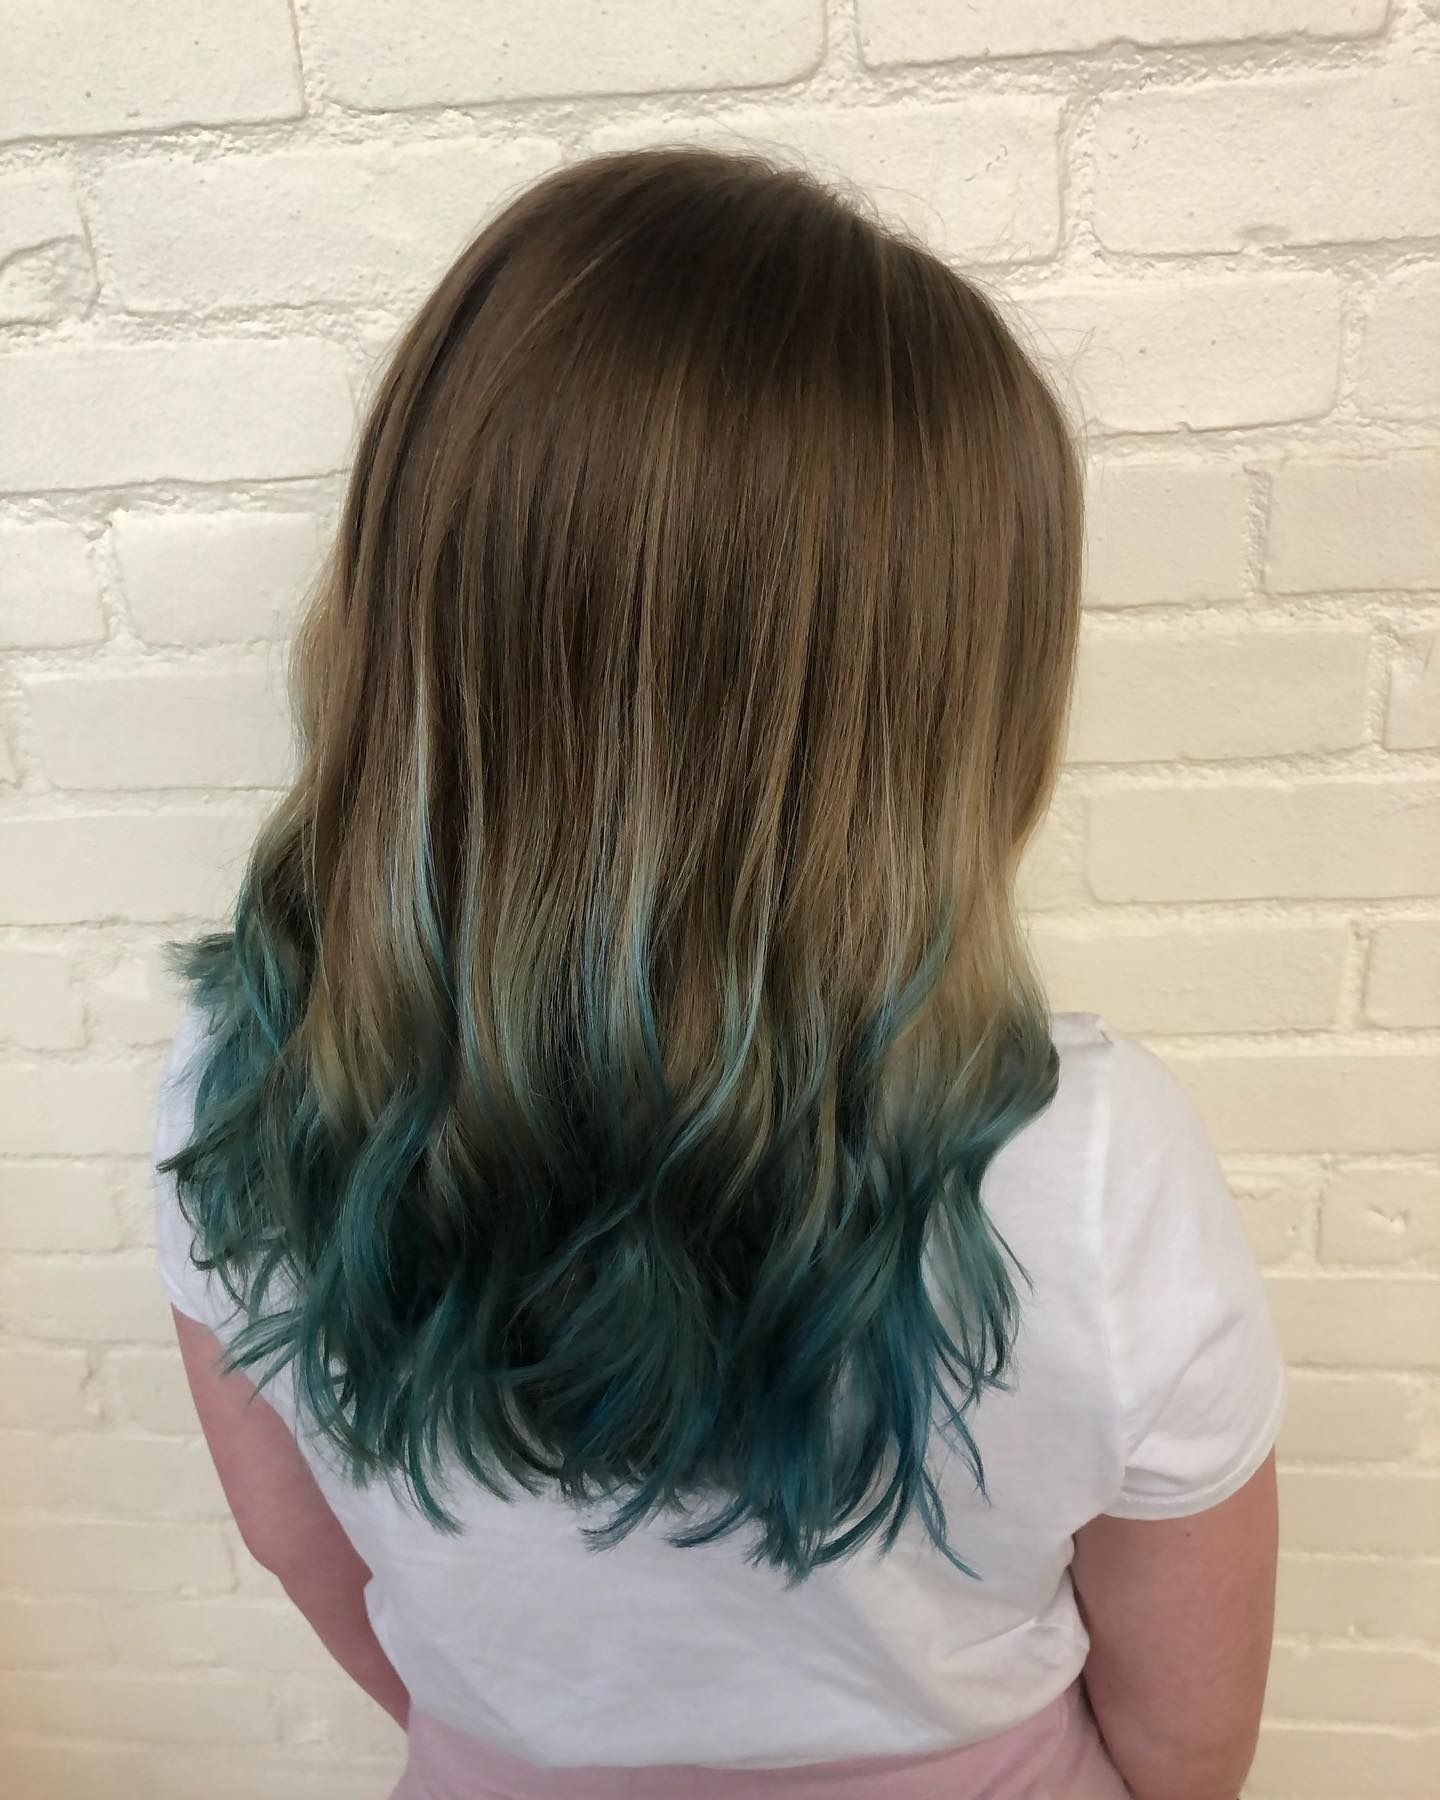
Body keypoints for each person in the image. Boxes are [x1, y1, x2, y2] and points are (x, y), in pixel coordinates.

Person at [151, 147, 1286, 1800]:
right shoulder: (1091, 1166)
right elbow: (1188, 1732)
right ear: (950, 703)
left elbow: (303, 1552)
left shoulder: (243, 1100)